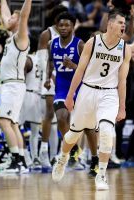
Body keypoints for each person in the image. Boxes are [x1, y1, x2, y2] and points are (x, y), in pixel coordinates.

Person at [52, 9, 131, 190]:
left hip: (109, 94)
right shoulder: (93, 42)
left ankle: (101, 175)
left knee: (105, 131)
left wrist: (122, 107)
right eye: (120, 23)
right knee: (73, 134)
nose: (123, 26)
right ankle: (62, 159)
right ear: (110, 24)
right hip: (87, 91)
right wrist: (71, 95)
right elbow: (79, 71)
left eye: (124, 24)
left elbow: (122, 80)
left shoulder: (125, 49)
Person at [45, 12, 98, 176]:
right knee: (61, 117)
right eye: (60, 25)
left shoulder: (80, 45)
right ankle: (74, 148)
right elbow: (50, 62)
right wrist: (48, 77)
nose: (63, 28)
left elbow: (90, 71)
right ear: (56, 26)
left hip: (80, 88)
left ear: (73, 26)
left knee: (88, 129)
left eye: (67, 25)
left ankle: (95, 160)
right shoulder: (51, 44)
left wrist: (74, 65)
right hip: (61, 87)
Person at [0, 0, 31, 172]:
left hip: (13, 85)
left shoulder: (21, 37)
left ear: (18, 22)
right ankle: (21, 160)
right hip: (11, 85)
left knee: (3, 121)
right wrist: (2, 1)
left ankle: (16, 161)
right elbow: (4, 16)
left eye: (12, 17)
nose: (7, 19)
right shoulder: (11, 38)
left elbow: (24, 15)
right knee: (13, 124)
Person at [37, 5, 67, 168]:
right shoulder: (46, 34)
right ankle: (43, 153)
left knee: (63, 117)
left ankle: (62, 154)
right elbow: (41, 61)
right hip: (50, 77)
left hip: (64, 78)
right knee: (50, 114)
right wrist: (51, 75)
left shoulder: (68, 33)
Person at [18, 54, 42, 168]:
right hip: (38, 94)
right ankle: (35, 157)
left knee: (17, 126)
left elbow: (20, 77)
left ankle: (25, 157)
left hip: (26, 93)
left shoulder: (28, 59)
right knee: (35, 131)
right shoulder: (42, 59)